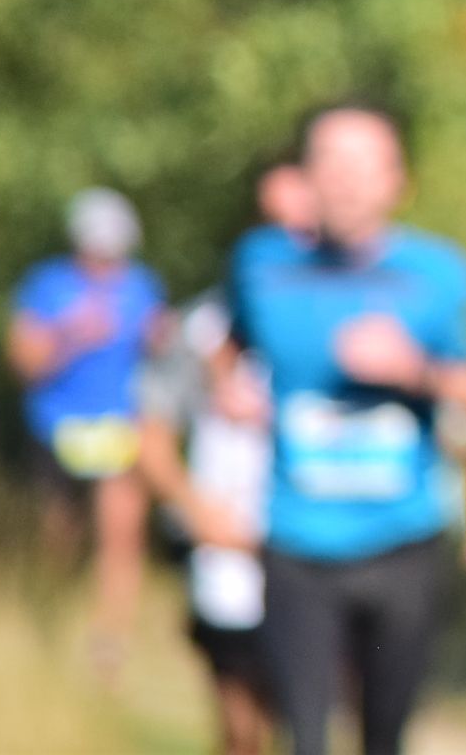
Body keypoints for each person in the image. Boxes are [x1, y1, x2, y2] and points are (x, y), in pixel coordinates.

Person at [226, 103, 466, 755]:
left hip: (404, 544)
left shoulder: (442, 275)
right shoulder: (260, 266)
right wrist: (226, 386)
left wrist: (416, 370)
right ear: (304, 177)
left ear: (398, 180)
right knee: (306, 739)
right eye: (330, 162)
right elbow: (227, 345)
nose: (345, 180)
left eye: (364, 164)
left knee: (383, 740)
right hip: (296, 543)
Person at [136, 162, 317, 755]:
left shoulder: (354, 321)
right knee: (240, 729)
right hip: (228, 555)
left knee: (309, 723)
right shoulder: (199, 328)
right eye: (274, 224)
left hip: (322, 551)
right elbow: (151, 437)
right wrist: (197, 512)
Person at [6, 185, 166, 674]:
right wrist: (70, 335)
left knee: (121, 537)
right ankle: (49, 626)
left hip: (118, 427)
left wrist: (164, 341)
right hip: (56, 429)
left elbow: (159, 352)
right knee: (59, 537)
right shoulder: (47, 285)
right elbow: (24, 363)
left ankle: (109, 645)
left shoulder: (142, 286)